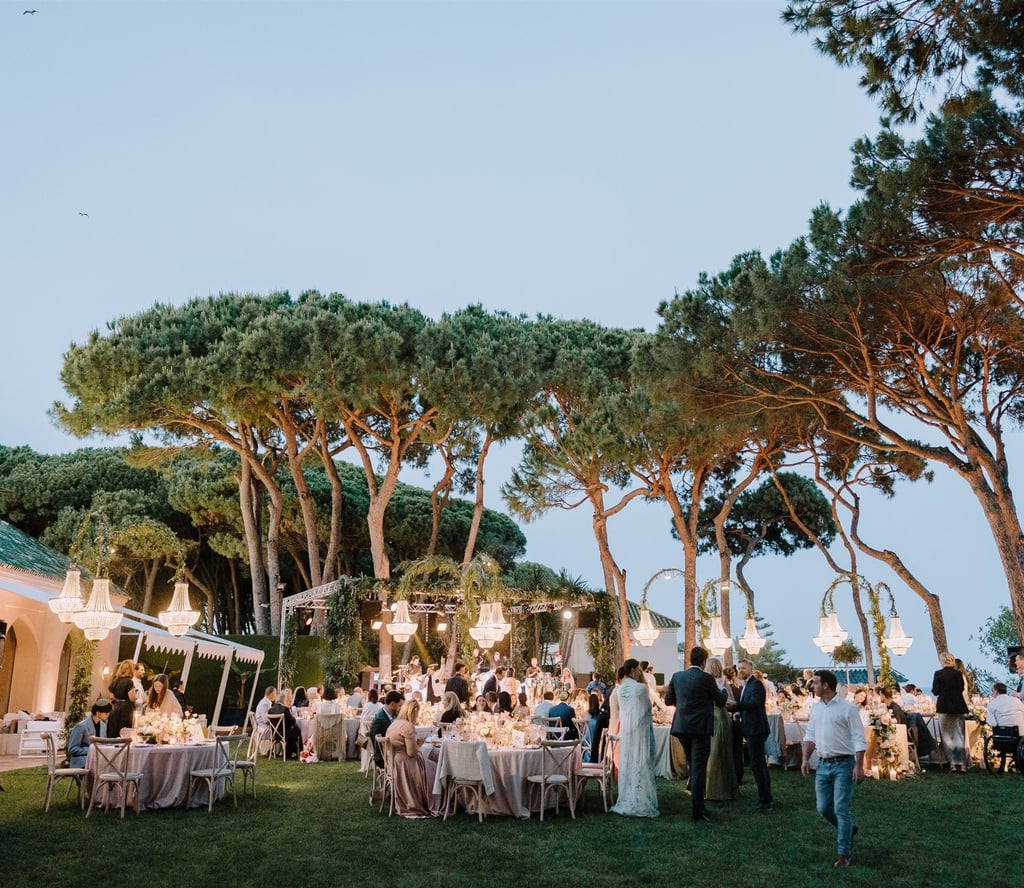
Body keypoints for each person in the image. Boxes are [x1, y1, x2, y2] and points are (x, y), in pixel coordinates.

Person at [801, 669, 867, 869]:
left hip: (844, 764)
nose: (812, 686)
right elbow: (810, 735)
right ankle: (848, 830)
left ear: (826, 685)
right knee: (823, 807)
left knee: (841, 807)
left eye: (815, 683)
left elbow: (858, 738)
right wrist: (805, 759)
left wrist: (859, 765)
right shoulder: (816, 708)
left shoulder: (848, 709)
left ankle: (844, 853)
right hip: (822, 764)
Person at [664, 647, 726, 823]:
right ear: (704, 661)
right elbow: (720, 700)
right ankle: (697, 810)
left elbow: (669, 700)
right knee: (699, 767)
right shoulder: (707, 678)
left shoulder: (677, 677)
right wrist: (722, 691)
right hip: (700, 728)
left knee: (694, 765)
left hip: (681, 727)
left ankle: (698, 804)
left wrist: (684, 702)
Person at [610, 658, 659, 817]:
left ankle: (627, 797)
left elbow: (619, 714)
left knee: (628, 764)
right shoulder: (641, 688)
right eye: (638, 669)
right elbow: (647, 709)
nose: (640, 672)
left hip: (626, 733)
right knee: (641, 763)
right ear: (632, 671)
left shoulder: (619, 690)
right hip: (640, 732)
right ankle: (642, 799)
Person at [728, 658, 773, 810]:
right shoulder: (746, 685)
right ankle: (765, 797)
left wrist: (736, 705)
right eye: (739, 668)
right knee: (757, 764)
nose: (740, 671)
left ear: (751, 669)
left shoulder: (756, 684)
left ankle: (765, 799)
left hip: (756, 729)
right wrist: (738, 712)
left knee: (758, 764)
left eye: (744, 668)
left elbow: (754, 704)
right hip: (750, 727)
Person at [384, 700, 435, 818]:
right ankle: (432, 799)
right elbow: (411, 753)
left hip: (392, 762)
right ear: (414, 712)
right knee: (431, 766)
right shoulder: (408, 726)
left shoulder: (394, 724)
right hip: (403, 764)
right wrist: (419, 745)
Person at [704, 657, 739, 801]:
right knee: (720, 751)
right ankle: (722, 787)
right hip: (720, 718)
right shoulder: (722, 683)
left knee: (713, 752)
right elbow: (731, 702)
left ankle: (712, 789)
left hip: (714, 718)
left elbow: (730, 702)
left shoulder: (710, 682)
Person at [932, 651, 969, 772]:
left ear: (942, 661)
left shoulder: (938, 674)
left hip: (944, 706)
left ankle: (952, 763)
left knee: (947, 735)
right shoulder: (958, 674)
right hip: (958, 705)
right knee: (959, 734)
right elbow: (962, 688)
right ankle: (962, 764)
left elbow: (936, 690)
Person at [67, 698, 112, 768]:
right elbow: (72, 749)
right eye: (106, 713)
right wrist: (91, 749)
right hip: (82, 760)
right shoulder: (81, 726)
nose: (108, 714)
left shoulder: (103, 726)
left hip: (96, 759)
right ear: (97, 713)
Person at [370, 690, 404, 769]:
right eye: (400, 705)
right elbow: (378, 742)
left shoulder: (390, 716)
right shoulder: (381, 719)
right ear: (392, 704)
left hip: (390, 753)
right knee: (411, 758)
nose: (401, 709)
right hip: (383, 757)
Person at [268, 688, 303, 759]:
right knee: (296, 730)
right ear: (284, 700)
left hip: (275, 734)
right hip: (285, 734)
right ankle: (294, 752)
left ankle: (293, 752)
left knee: (295, 729)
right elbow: (292, 721)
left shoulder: (271, 709)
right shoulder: (284, 709)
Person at [107, 659, 138, 738]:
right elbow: (132, 698)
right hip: (125, 709)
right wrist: (136, 695)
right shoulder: (129, 682)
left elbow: (111, 696)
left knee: (113, 729)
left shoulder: (115, 681)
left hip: (115, 707)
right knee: (123, 731)